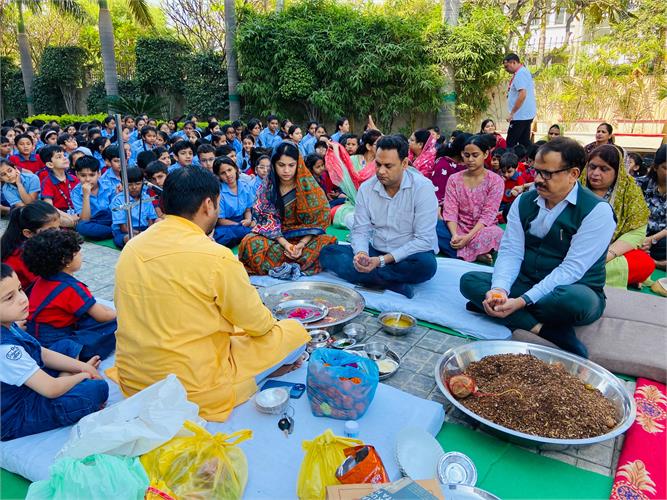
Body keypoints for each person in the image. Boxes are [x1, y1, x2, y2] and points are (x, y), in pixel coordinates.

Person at [108, 166, 310, 421]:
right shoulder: (216, 256)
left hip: (135, 381)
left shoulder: (132, 247)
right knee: (294, 331)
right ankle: (260, 375)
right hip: (193, 390)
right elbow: (258, 325)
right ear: (207, 204)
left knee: (232, 327)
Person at [460, 137, 616, 357]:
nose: (538, 180)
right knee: (469, 281)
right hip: (526, 281)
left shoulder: (597, 211)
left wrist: (521, 301)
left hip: (572, 288)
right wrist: (499, 290)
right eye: (537, 171)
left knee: (571, 301)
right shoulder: (524, 201)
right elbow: (511, 251)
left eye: (547, 174)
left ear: (573, 174)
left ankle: (503, 311)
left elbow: (572, 269)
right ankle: (543, 329)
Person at [320, 136, 438, 299]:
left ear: (404, 164)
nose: (381, 171)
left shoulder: (422, 188)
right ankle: (392, 283)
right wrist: (361, 254)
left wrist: (381, 261)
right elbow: (360, 230)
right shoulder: (367, 188)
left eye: (388, 166)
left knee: (427, 266)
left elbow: (424, 240)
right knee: (328, 253)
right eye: (378, 164)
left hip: (408, 254)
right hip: (375, 249)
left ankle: (374, 278)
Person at [0, 263, 108, 441]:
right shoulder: (5, 350)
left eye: (19, 289)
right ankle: (67, 381)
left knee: (66, 346)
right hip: (15, 415)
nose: (22, 299)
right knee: (97, 389)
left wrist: (82, 367)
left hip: (30, 386)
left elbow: (41, 352)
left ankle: (65, 379)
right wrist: (83, 375)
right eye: (9, 297)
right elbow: (50, 389)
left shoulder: (8, 323)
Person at [238, 143, 336, 276]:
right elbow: (267, 222)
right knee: (249, 242)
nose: (286, 170)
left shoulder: (308, 186)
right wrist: (286, 245)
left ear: (298, 164)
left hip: (305, 238)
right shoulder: (267, 188)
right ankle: (299, 263)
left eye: (291, 165)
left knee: (327, 243)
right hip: (276, 238)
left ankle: (283, 264)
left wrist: (301, 244)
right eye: (281, 165)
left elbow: (317, 221)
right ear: (274, 165)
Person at [23, 229, 117, 360]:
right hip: (59, 346)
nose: (81, 255)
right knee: (116, 325)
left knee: (88, 315)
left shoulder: (40, 280)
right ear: (66, 260)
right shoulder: (72, 288)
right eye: (78, 253)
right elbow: (103, 316)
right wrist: (120, 313)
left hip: (35, 338)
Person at [579, 144, 654, 287]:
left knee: (644, 262)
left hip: (610, 252)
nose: (595, 173)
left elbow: (637, 231)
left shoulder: (630, 191)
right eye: (592, 167)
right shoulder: (575, 187)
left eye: (604, 169)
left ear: (618, 171)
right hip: (575, 249)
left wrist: (608, 255)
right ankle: (589, 276)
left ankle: (583, 276)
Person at [438, 135, 504, 263]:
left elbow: (488, 215)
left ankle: (460, 252)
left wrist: (467, 238)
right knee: (433, 227)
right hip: (456, 227)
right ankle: (477, 254)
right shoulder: (454, 179)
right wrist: (454, 235)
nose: (470, 160)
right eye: (466, 155)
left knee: (497, 234)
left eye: (475, 155)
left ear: (485, 154)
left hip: (482, 229)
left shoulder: (496, 181)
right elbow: (450, 211)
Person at [1, 202, 60, 289]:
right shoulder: (23, 256)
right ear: (28, 233)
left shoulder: (40, 245)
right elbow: (45, 285)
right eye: (51, 230)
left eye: (59, 227)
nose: (58, 233)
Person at [212, 157, 256, 248]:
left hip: (244, 222)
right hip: (228, 225)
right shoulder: (219, 193)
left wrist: (248, 220)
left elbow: (248, 210)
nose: (228, 175)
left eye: (229, 170)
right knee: (222, 235)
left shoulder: (245, 186)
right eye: (223, 173)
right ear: (218, 176)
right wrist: (240, 226)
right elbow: (220, 220)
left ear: (235, 169)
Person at [110, 167, 158, 249]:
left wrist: (147, 232)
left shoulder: (146, 197)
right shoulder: (118, 200)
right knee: (130, 239)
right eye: (129, 184)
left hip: (144, 229)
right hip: (126, 232)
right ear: (122, 184)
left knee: (159, 221)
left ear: (143, 183)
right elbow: (123, 228)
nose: (134, 187)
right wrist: (141, 234)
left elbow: (151, 220)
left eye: (138, 184)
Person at [71, 155, 115, 240]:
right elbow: (85, 219)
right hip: (93, 221)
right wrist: (86, 195)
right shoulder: (76, 192)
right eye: (83, 175)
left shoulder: (109, 185)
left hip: (110, 218)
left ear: (99, 174)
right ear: (77, 174)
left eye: (92, 175)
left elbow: (115, 211)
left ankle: (108, 231)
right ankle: (113, 232)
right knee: (81, 227)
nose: (87, 179)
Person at [637, 145, 666, 270]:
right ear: (655, 167)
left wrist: (651, 239)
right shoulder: (638, 185)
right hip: (637, 236)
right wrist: (640, 239)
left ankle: (656, 263)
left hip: (660, 239)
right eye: (665, 168)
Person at [502, 53, 536, 148]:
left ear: (513, 62)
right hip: (524, 115)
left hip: (520, 116)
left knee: (510, 143)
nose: (506, 69)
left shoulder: (520, 74)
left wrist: (512, 113)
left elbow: (522, 94)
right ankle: (535, 154)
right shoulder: (522, 71)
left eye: (506, 66)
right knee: (524, 142)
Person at [498, 151, 526, 223]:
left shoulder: (519, 179)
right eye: (503, 172)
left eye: (509, 171)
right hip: (501, 203)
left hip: (512, 204)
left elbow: (522, 196)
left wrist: (517, 193)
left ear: (516, 168)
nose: (506, 174)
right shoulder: (500, 178)